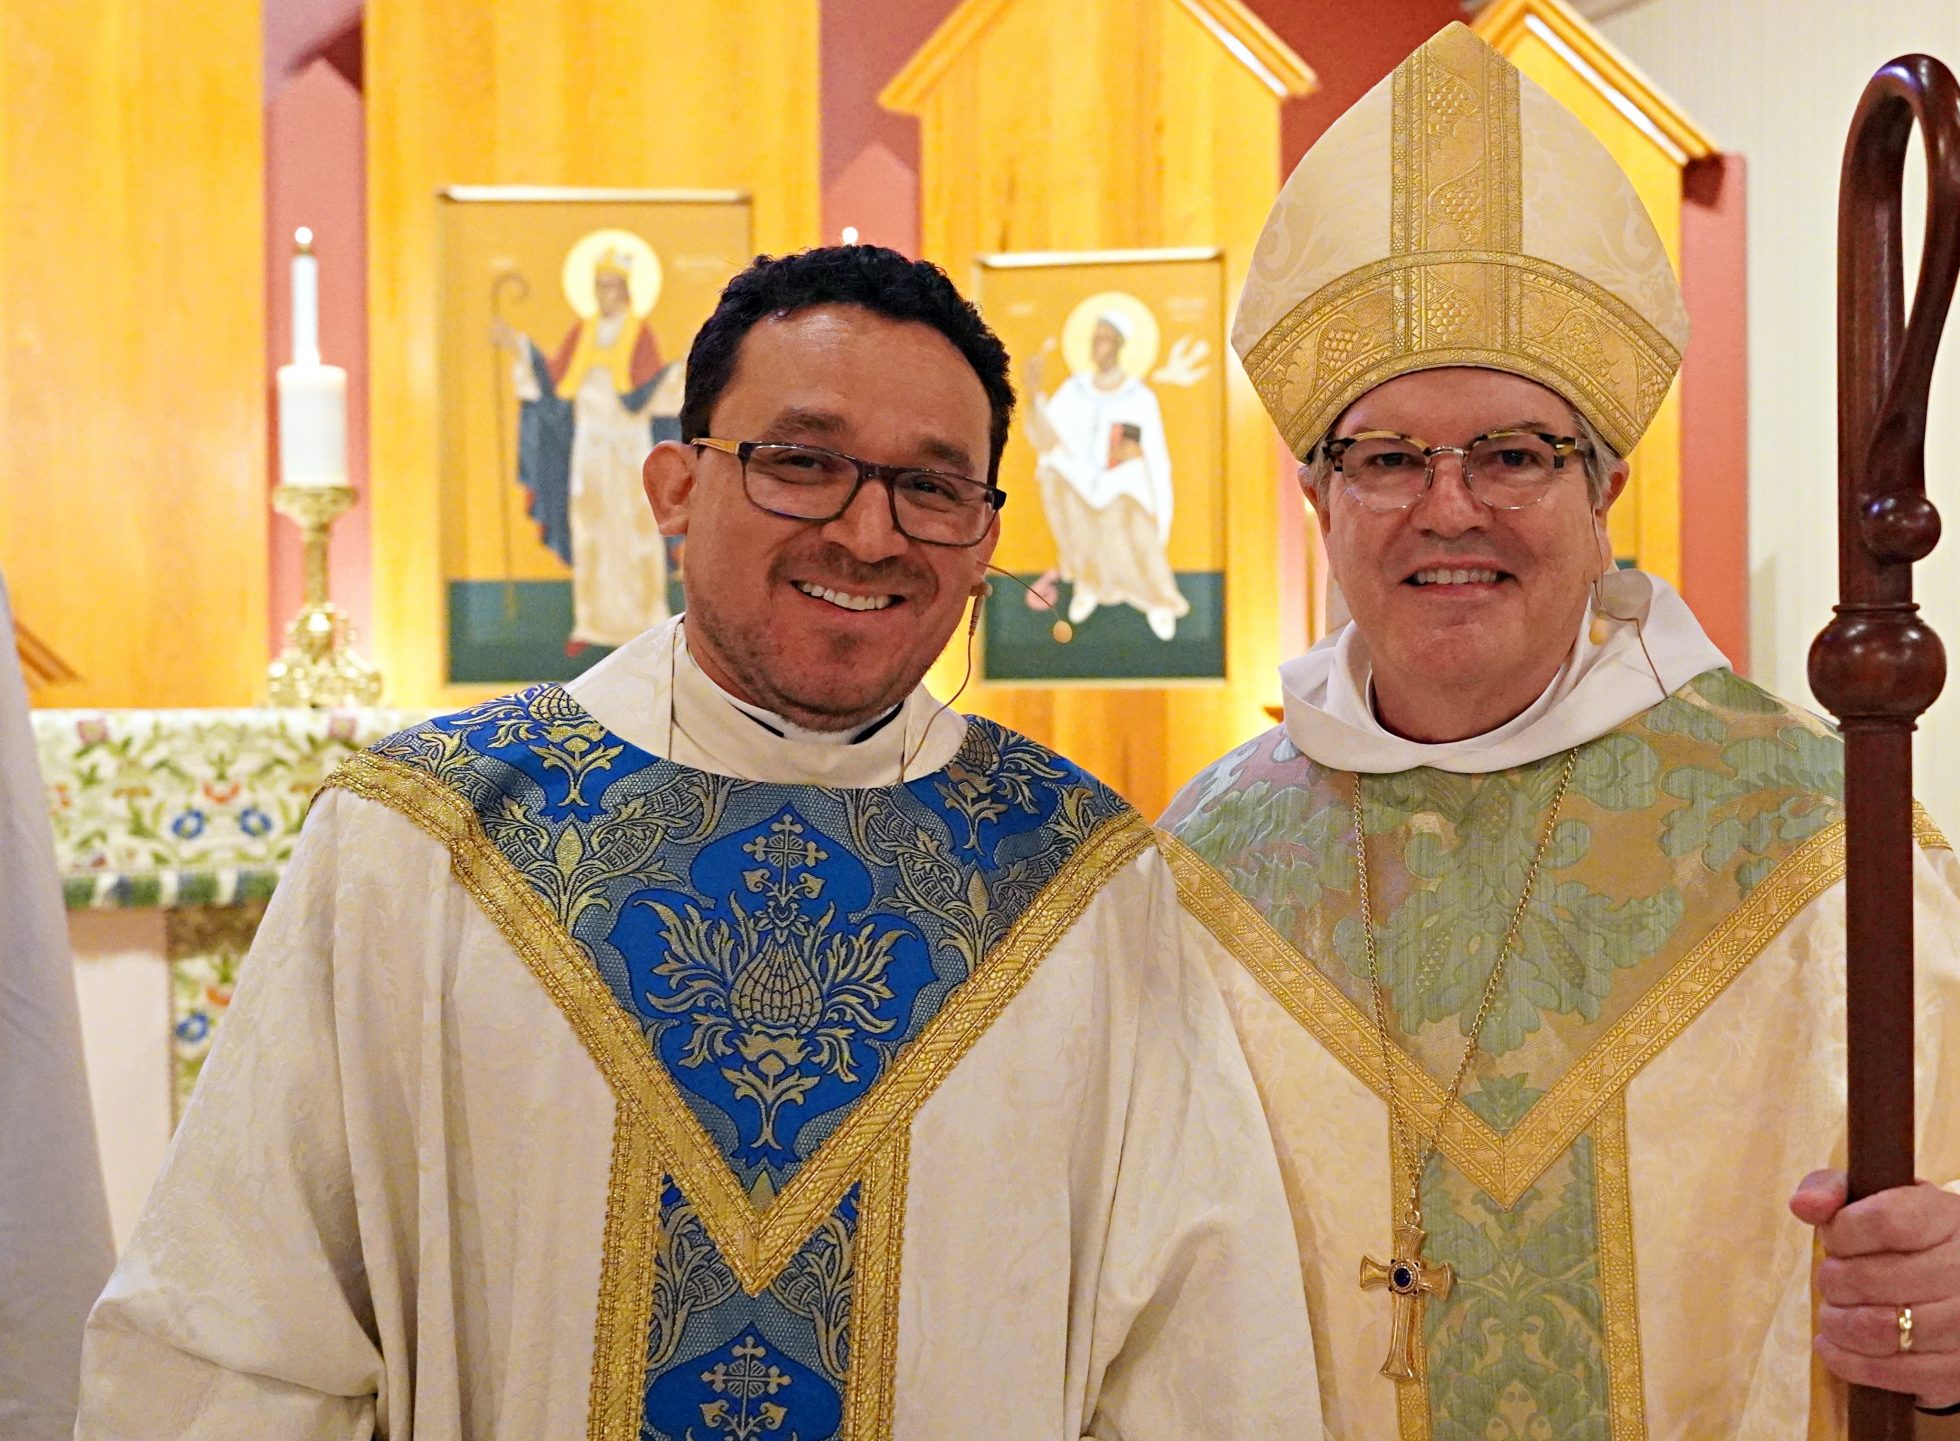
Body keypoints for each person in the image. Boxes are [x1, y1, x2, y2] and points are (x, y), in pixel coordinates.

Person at [1158, 25, 1960, 1439]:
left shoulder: (1797, 828)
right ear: (1319, 498)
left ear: (1605, 489)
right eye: (1388, 458)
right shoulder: (1209, 863)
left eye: (1515, 453)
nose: (1449, 506)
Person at [81, 245, 1323, 1440]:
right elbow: (241, 1333)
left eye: (932, 487)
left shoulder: (1077, 882)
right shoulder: (424, 840)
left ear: (984, 538)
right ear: (674, 487)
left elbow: (1198, 1363)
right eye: (803, 462)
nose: (869, 533)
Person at [498, 245, 681, 652]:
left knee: (635, 527)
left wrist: (679, 372)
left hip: (629, 449)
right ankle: (592, 624)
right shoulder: (582, 332)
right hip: (589, 448)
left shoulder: (639, 333)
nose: (604, 293)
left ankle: (644, 623)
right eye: (599, 286)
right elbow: (553, 381)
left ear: (626, 290)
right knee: (590, 528)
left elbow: (654, 390)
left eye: (611, 286)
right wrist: (520, 347)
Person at [1021, 307, 1189, 640]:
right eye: (1095, 339)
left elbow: (1156, 460)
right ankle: (1089, 585)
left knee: (1126, 517)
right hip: (1083, 482)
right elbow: (1046, 439)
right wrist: (1033, 393)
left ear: (1119, 346)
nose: (1098, 346)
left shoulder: (1140, 398)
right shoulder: (1075, 389)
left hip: (1125, 489)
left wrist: (1163, 517)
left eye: (1106, 339)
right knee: (1054, 475)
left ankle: (1157, 601)